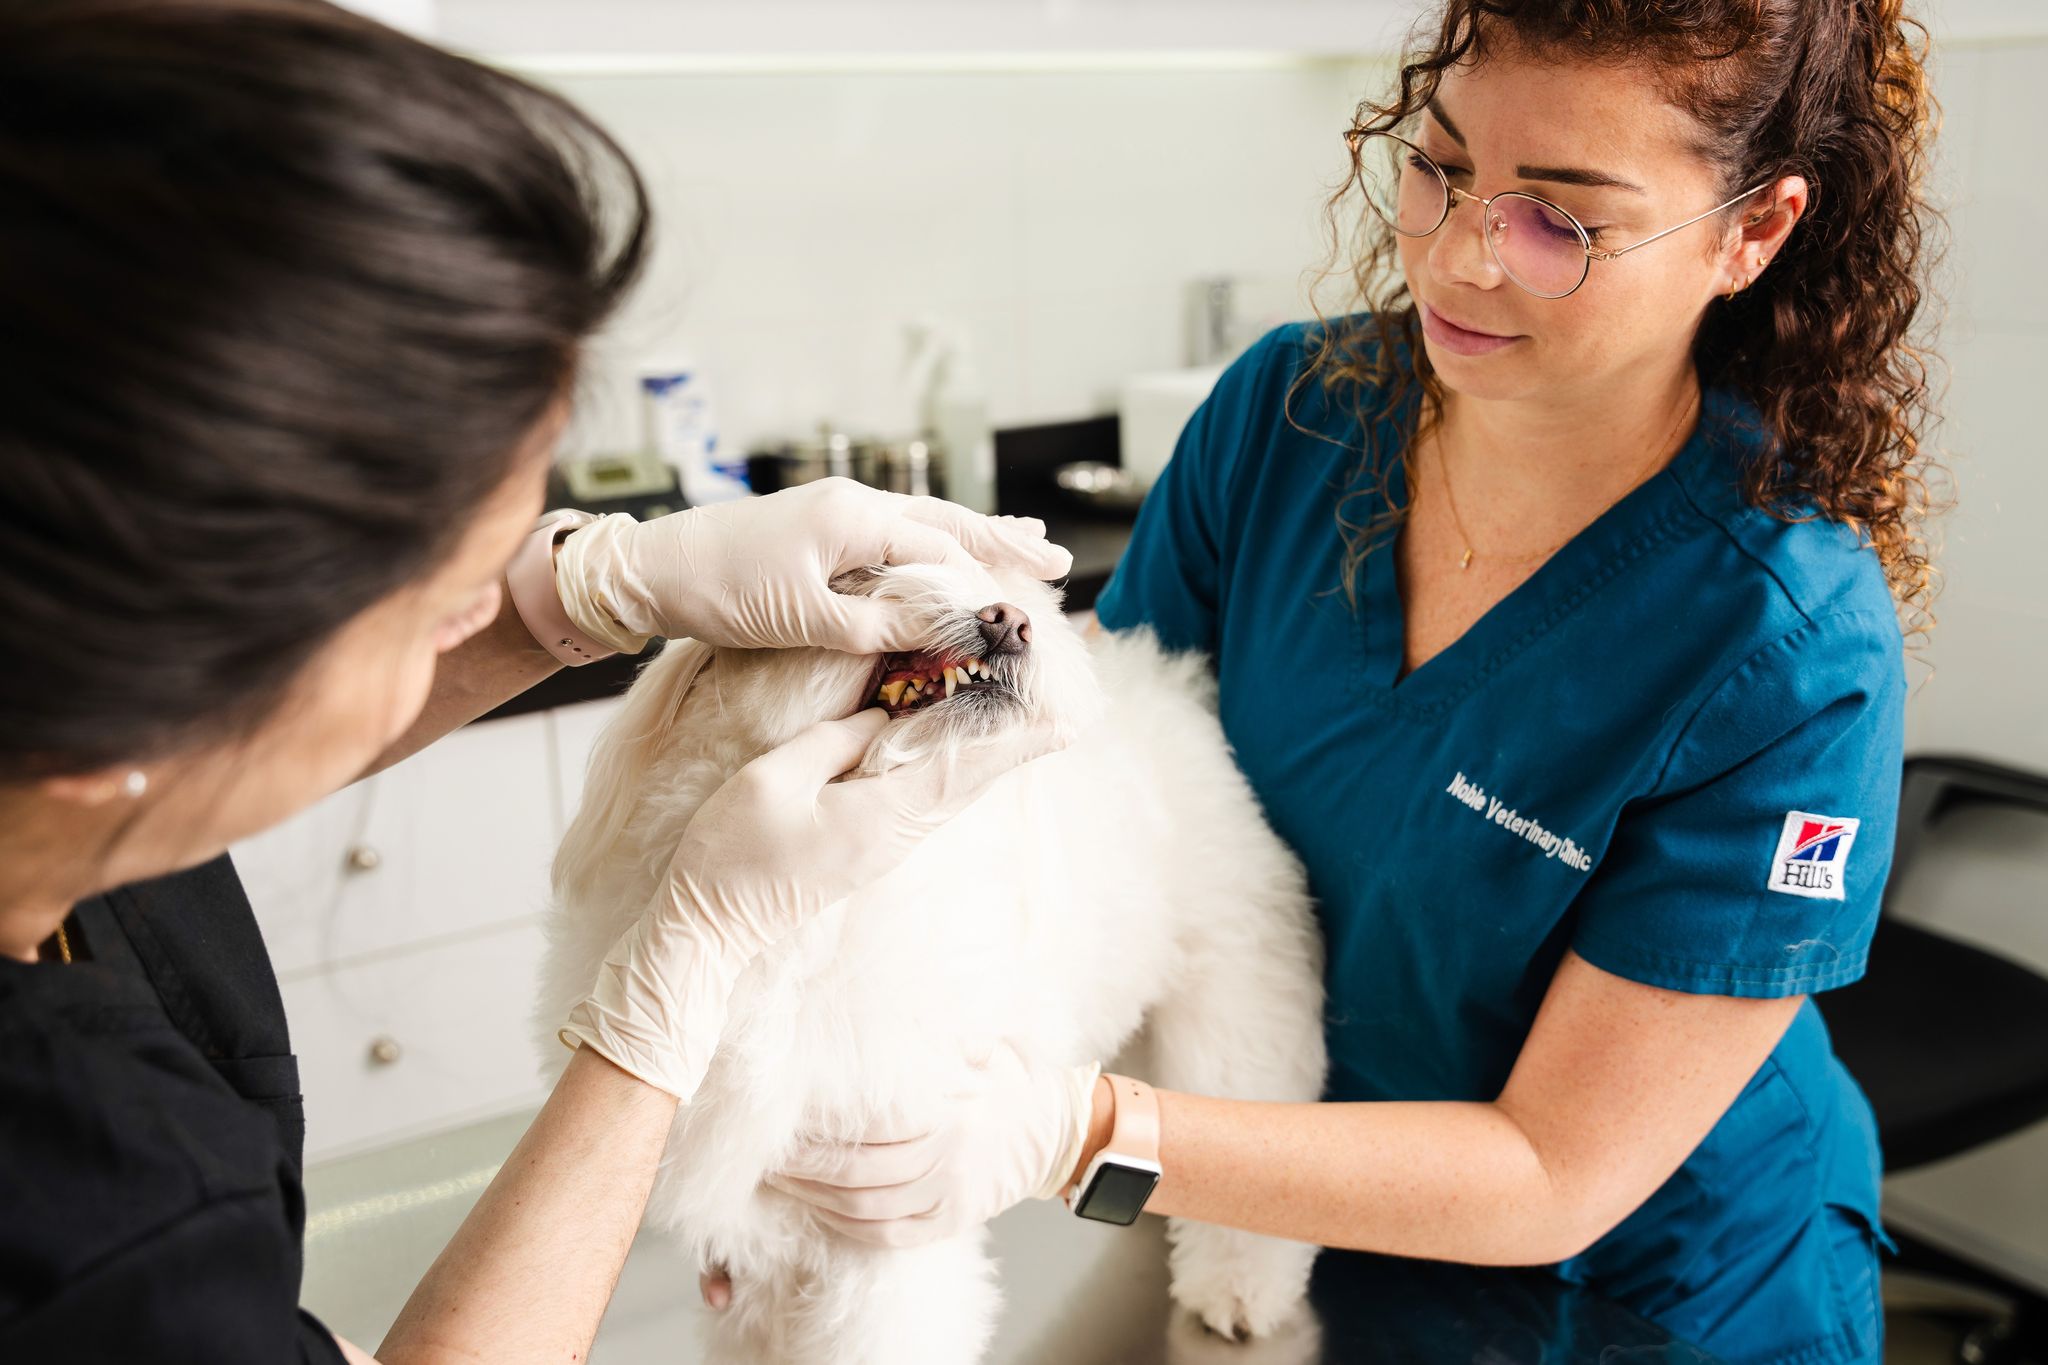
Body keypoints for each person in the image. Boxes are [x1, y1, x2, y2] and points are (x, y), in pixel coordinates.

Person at [772, 3, 1940, 1361]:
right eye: (1439, 167)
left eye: (1562, 223)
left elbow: (1558, 1168)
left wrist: (1075, 1128)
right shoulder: (1289, 420)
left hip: (1640, 1297)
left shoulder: (1784, 640)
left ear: (1756, 230)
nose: (1458, 257)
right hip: (1284, 1218)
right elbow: (1097, 796)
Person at [0, 4, 1069, 1362]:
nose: (484, 612)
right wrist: (674, 977)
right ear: (131, 689)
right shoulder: (79, 1227)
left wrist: (583, 590)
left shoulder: (51, 762)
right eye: (449, 589)